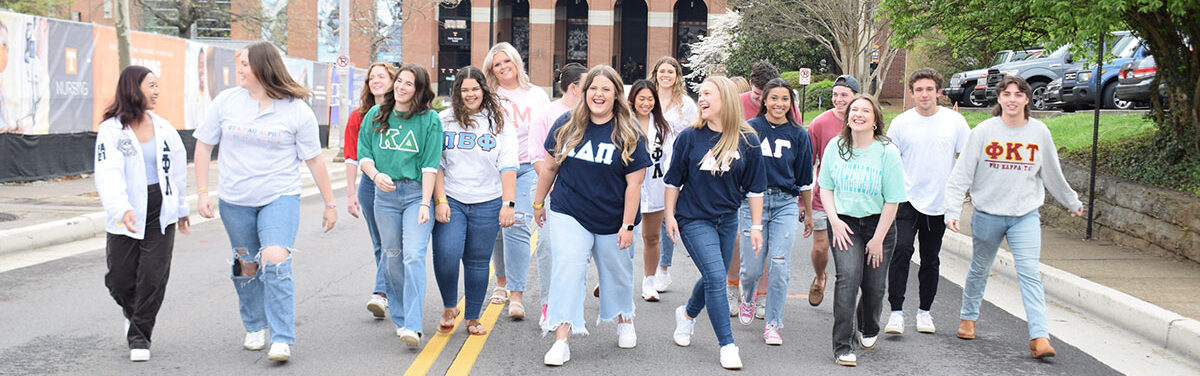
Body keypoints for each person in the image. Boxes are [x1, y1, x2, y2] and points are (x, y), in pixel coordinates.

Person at [194, 41, 338, 362]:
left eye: (245, 64)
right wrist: (203, 192)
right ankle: (255, 325)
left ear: (262, 67)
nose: (240, 69)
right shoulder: (226, 102)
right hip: (235, 199)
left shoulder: (295, 110)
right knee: (247, 264)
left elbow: (314, 160)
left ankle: (282, 336)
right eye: (239, 63)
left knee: (274, 258)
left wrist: (330, 203)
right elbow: (203, 146)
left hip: (279, 196)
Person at [945, 75, 1084, 360]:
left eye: (1018, 94)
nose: (1012, 99)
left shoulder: (1039, 132)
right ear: (999, 99)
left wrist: (1071, 201)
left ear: (1026, 99)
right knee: (979, 269)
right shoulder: (984, 131)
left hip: (1025, 216)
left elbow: (1052, 173)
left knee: (1030, 274)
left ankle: (1039, 336)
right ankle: (968, 318)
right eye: (1006, 94)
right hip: (987, 214)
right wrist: (953, 210)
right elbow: (962, 174)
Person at [534, 65, 651, 366]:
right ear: (584, 93)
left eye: (606, 89)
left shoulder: (630, 132)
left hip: (614, 217)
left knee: (616, 272)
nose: (598, 94)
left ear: (616, 95)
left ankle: (624, 317)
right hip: (569, 210)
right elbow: (549, 167)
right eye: (593, 88)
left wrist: (627, 225)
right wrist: (537, 203)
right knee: (568, 270)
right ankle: (561, 338)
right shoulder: (567, 124)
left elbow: (634, 185)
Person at [665, 75, 766, 370]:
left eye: (709, 93)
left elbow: (755, 188)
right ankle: (727, 344)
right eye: (701, 94)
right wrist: (670, 215)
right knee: (715, 275)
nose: (702, 99)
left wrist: (756, 226)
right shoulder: (689, 137)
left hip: (727, 220)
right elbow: (673, 181)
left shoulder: (748, 140)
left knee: (714, 276)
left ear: (726, 99)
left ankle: (686, 315)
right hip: (693, 218)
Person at [94, 65, 190, 362]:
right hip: (127, 210)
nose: (156, 91)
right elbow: (107, 173)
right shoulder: (111, 130)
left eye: (157, 85)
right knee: (120, 279)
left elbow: (177, 170)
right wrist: (120, 208)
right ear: (132, 89)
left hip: (161, 209)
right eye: (151, 85)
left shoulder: (164, 128)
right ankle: (133, 313)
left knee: (153, 275)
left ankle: (139, 337)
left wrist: (182, 207)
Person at [357, 63, 443, 348]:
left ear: (419, 89)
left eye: (409, 84)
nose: (402, 87)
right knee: (392, 255)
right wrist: (375, 174)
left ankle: (414, 326)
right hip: (386, 195)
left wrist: (425, 203)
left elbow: (431, 164)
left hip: (416, 192)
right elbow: (364, 155)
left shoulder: (430, 120)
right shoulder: (376, 114)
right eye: (400, 82)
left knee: (414, 256)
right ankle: (402, 317)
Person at [818, 94, 906, 367]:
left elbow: (893, 200)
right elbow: (827, 188)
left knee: (874, 287)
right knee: (848, 278)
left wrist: (878, 239)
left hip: (879, 224)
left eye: (865, 110)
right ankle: (843, 345)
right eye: (854, 110)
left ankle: (868, 324)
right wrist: (834, 221)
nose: (858, 114)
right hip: (845, 223)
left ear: (875, 119)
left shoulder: (887, 152)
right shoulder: (836, 146)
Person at [883, 68, 970, 335]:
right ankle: (896, 313)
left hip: (939, 202)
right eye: (919, 89)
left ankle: (924, 312)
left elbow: (967, 161)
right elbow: (888, 162)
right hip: (906, 199)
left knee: (930, 258)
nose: (924, 94)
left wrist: (959, 200)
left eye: (929, 89)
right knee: (902, 251)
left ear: (939, 93)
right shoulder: (900, 123)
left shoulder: (955, 123)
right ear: (911, 93)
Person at [432, 66, 518, 336]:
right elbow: (436, 164)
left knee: (478, 261)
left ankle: (472, 318)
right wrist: (441, 200)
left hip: (488, 200)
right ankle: (449, 306)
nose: (470, 94)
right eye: (464, 89)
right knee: (446, 254)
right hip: (453, 199)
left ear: (483, 90)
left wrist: (508, 203)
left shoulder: (499, 122)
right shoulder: (443, 120)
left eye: (475, 89)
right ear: (457, 91)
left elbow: (508, 165)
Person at [735, 78, 813, 346]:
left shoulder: (799, 134)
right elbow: (739, 169)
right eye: (774, 98)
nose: (779, 104)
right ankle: (747, 297)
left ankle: (772, 323)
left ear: (791, 103)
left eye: (785, 99)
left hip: (785, 204)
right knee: (752, 269)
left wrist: (809, 213)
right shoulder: (749, 130)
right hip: (752, 203)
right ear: (764, 100)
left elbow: (804, 178)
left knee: (779, 266)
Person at [484, 42, 552, 319]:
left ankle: (516, 294)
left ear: (516, 63)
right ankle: (500, 282)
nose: (502, 68)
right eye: (496, 64)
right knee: (498, 227)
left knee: (518, 223)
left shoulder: (535, 95)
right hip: (495, 169)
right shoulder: (489, 96)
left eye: (506, 62)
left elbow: (548, 131)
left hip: (526, 168)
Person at [529, 62, 588, 325]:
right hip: (551, 189)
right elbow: (536, 155)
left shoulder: (593, 114)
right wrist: (551, 183)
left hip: (583, 193)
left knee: (578, 251)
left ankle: (571, 304)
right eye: (588, 86)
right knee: (547, 247)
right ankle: (548, 304)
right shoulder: (546, 114)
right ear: (574, 88)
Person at [344, 62, 398, 320]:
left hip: (395, 184)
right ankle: (388, 292)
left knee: (390, 242)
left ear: (393, 81)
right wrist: (350, 194)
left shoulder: (402, 111)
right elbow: (351, 156)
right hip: (369, 184)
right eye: (371, 78)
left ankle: (381, 292)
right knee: (380, 242)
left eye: (381, 76)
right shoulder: (359, 116)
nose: (375, 81)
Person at [807, 74, 860, 307]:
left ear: (856, 97)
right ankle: (820, 276)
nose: (839, 99)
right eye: (835, 94)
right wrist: (803, 203)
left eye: (844, 95)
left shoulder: (863, 120)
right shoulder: (819, 123)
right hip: (822, 196)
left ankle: (846, 295)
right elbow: (807, 164)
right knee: (820, 247)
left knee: (848, 251)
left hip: (854, 199)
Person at [647, 56, 698, 294]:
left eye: (670, 71)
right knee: (642, 218)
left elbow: (694, 136)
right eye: (661, 71)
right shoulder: (648, 98)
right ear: (655, 73)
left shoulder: (685, 104)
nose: (665, 75)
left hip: (672, 169)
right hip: (647, 167)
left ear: (677, 76)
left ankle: (663, 269)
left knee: (667, 218)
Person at [626, 79, 674, 302]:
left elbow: (670, 161)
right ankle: (614, 279)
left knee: (652, 237)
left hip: (655, 187)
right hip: (626, 188)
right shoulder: (623, 123)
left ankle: (649, 281)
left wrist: (672, 191)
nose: (645, 103)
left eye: (650, 99)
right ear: (633, 99)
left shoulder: (664, 127)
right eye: (641, 98)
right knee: (621, 234)